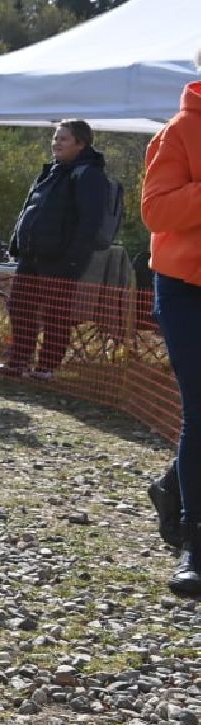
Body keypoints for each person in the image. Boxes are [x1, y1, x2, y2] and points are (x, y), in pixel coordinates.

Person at [0, 120, 116, 380]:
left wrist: (73, 260)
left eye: (63, 139)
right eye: (55, 138)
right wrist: (18, 242)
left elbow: (89, 222)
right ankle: (18, 361)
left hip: (61, 260)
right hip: (32, 256)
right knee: (19, 307)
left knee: (55, 314)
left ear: (81, 144)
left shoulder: (90, 175)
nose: (56, 143)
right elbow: (31, 208)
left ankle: (46, 367)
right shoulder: (51, 171)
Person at [141, 59, 201, 596]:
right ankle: (194, 545)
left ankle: (172, 488)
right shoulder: (179, 131)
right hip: (185, 286)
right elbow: (156, 211)